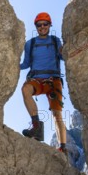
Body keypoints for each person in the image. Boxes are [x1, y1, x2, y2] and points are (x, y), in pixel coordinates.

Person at [19, 12, 67, 154]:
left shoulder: (55, 41)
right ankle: (36, 126)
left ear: (49, 25)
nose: (42, 27)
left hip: (54, 81)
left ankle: (63, 147)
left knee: (56, 114)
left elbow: (62, 57)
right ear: (36, 26)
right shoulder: (30, 44)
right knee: (25, 90)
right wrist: (13, 64)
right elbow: (26, 63)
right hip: (37, 80)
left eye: (45, 24)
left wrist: (67, 50)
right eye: (39, 25)